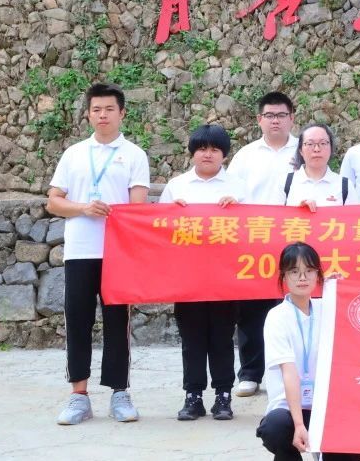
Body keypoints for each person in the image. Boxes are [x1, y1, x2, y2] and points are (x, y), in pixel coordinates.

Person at [46, 82, 150, 425]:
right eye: (96, 109)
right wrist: (83, 208)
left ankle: (120, 393)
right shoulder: (74, 153)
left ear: (122, 113)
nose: (102, 115)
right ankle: (79, 396)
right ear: (88, 114)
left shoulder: (134, 155)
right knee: (77, 320)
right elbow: (54, 201)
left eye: (109, 109)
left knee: (118, 323)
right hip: (80, 250)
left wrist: (116, 217)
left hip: (118, 252)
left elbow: (138, 208)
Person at [161, 124, 244, 421]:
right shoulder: (177, 186)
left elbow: (254, 228)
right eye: (202, 149)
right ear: (192, 153)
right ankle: (193, 396)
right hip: (188, 276)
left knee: (222, 337)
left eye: (214, 149)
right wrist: (171, 212)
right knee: (192, 337)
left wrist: (238, 209)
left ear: (224, 154)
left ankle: (223, 396)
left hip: (226, 276)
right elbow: (158, 228)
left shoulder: (239, 186)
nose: (207, 154)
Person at [255, 242, 360, 461]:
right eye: (294, 271)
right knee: (276, 428)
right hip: (289, 409)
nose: (302, 277)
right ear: (284, 276)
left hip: (326, 407)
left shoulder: (328, 308)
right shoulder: (277, 317)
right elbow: (289, 371)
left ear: (318, 274)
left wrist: (341, 290)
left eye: (309, 270)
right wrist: (299, 425)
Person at [229, 91, 298, 398]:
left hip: (295, 240)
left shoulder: (304, 149)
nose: (275, 121)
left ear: (291, 118)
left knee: (292, 306)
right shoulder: (246, 156)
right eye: (269, 116)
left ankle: (289, 371)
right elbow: (231, 193)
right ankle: (250, 373)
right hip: (254, 241)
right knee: (252, 310)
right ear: (259, 120)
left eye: (281, 115)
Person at [267, 124, 348, 209]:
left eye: (323, 143)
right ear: (300, 150)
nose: (317, 149)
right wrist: (298, 211)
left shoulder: (344, 185)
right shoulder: (284, 183)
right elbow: (273, 215)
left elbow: (353, 216)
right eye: (310, 144)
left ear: (331, 148)